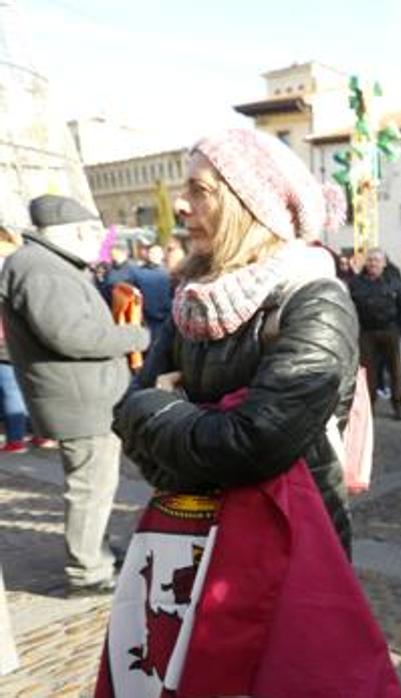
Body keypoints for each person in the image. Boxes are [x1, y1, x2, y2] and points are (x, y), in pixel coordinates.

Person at [113, 127, 359, 555]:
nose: (180, 204)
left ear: (250, 205)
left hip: (287, 545)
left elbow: (256, 444)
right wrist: (183, 436)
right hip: (197, 532)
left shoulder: (316, 300)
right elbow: (126, 417)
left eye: (200, 189)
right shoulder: (192, 298)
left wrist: (161, 409)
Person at [0, 195, 151, 594]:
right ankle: (88, 571)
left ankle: (93, 551)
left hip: (81, 397)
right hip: (79, 402)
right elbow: (69, 334)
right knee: (91, 488)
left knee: (94, 486)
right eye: (95, 234)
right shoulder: (40, 269)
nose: (99, 243)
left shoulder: (41, 264)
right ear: (79, 232)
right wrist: (135, 336)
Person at [350, 248, 401, 420]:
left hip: (390, 330)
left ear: (384, 263)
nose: (373, 263)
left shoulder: (395, 282)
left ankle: (399, 406)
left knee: (396, 371)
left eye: (377, 260)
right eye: (370, 260)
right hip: (366, 333)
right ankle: (368, 407)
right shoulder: (355, 283)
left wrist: (399, 329)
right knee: (367, 372)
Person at [0, 227, 28, 453]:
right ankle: (40, 434)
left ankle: (16, 439)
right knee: (28, 386)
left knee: (10, 388)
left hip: (4, 337)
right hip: (24, 334)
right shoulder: (25, 260)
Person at [130, 242, 174, 339]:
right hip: (145, 319)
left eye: (156, 253)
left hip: (165, 319)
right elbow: (130, 289)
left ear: (162, 255)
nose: (153, 255)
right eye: (151, 252)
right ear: (147, 254)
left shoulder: (170, 274)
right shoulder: (138, 272)